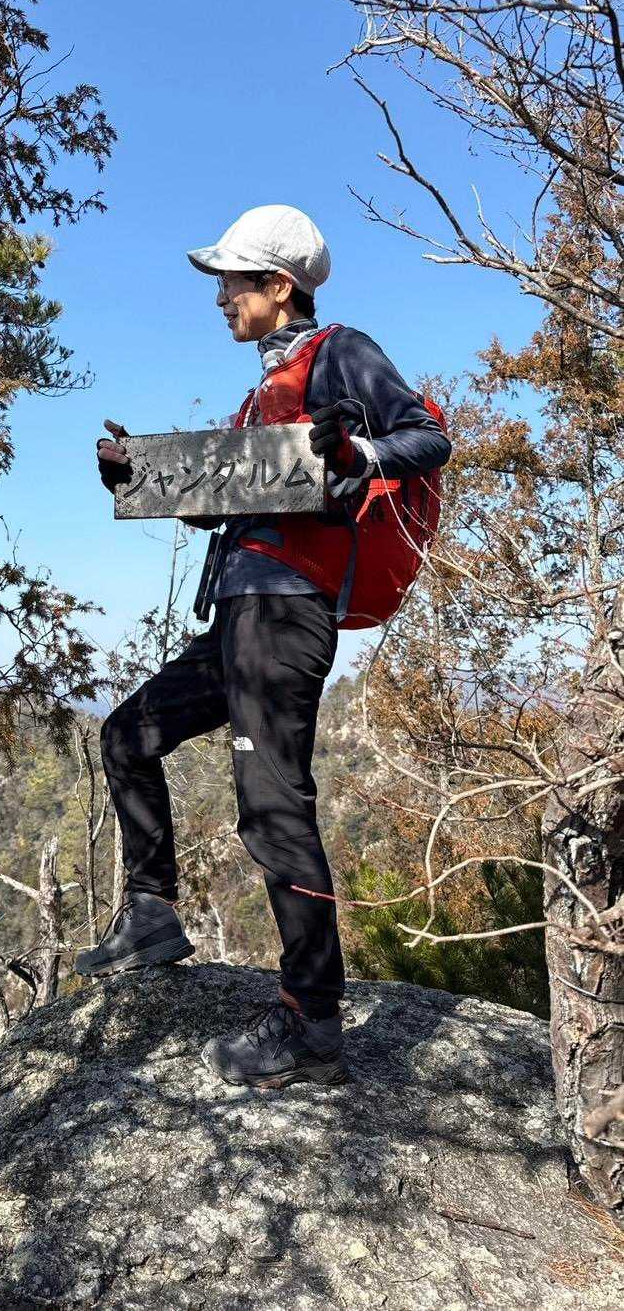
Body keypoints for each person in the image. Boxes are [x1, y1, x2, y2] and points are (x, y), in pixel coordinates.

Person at [75, 205, 451, 1088]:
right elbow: (233, 500)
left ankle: (311, 1022)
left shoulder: (340, 351)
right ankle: (151, 913)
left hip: (285, 619)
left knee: (273, 807)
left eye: (232, 282)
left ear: (280, 286)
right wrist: (139, 473)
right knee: (126, 736)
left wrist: (358, 452)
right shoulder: (262, 392)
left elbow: (429, 438)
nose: (220, 299)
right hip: (238, 618)